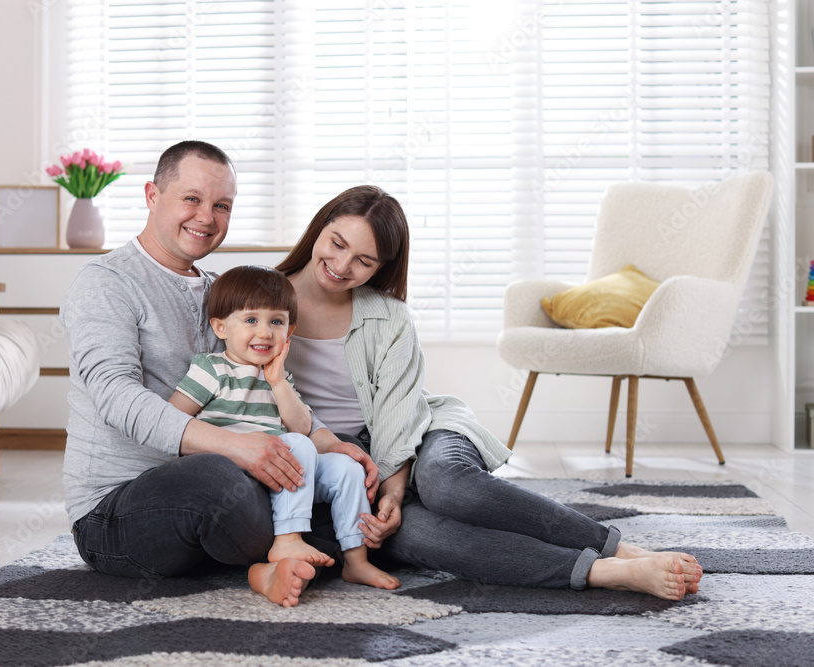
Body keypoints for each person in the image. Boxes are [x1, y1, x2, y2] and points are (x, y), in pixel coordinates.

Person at [279, 185, 704, 601]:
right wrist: (376, 496)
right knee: (414, 534)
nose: (342, 265)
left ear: (380, 267)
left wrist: (392, 489)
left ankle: (617, 547)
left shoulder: (390, 316)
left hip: (419, 431)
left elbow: (399, 414)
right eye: (337, 244)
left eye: (364, 261)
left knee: (446, 485)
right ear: (320, 227)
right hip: (341, 465)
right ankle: (608, 572)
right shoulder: (260, 301)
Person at [60, 141, 377, 608]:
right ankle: (289, 543)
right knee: (216, 482)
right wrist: (234, 445)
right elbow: (116, 397)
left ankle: (283, 557)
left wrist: (331, 443)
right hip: (117, 509)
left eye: (221, 205)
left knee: (336, 466)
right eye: (191, 198)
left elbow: (266, 387)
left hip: (225, 484)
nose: (206, 217)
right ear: (152, 195)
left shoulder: (222, 295)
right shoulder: (106, 283)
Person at [168, 265, 400, 592]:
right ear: (220, 327)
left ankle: (356, 559)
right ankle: (288, 539)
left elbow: (302, 426)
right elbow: (173, 420)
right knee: (296, 445)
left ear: (289, 331)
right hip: (238, 471)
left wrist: (277, 382)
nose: (265, 333)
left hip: (285, 471)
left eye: (276, 322)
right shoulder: (213, 368)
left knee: (347, 468)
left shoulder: (281, 377)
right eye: (251, 320)